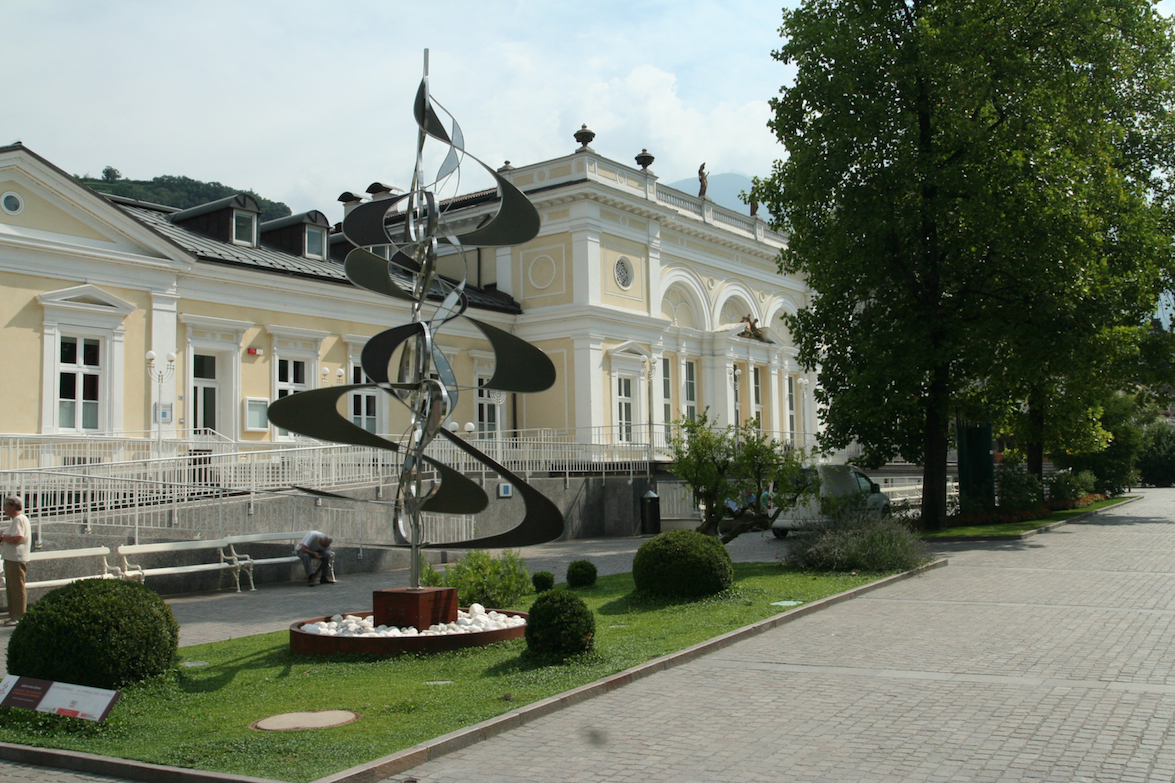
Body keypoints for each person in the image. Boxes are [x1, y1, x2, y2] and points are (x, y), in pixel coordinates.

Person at [2, 497, 30, 625]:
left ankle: (18, 617)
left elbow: (18, 537)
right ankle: (14, 616)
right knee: (12, 588)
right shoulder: (18, 520)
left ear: (13, 506)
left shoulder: (19, 519)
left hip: (16, 559)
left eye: (6, 506)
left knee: (17, 588)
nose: (4, 509)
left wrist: (3, 537)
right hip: (12, 558)